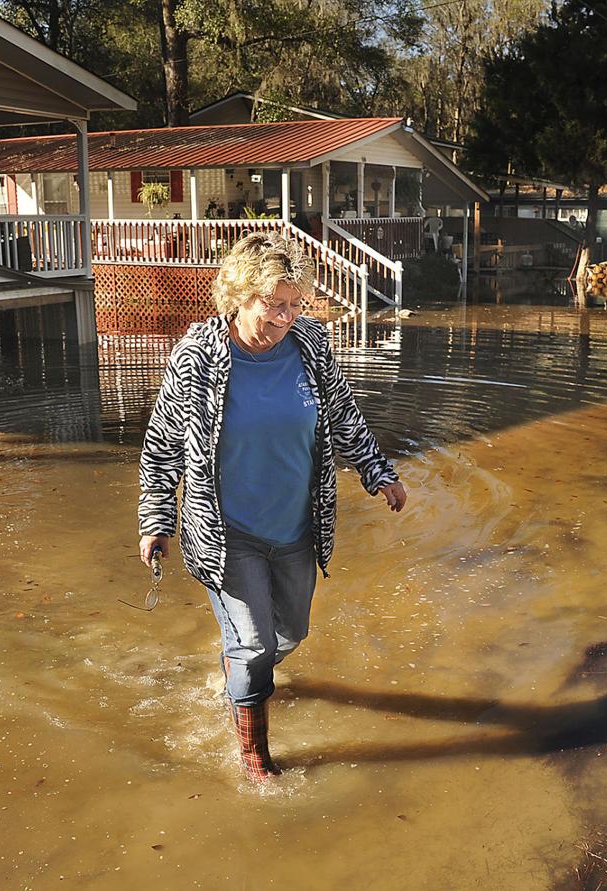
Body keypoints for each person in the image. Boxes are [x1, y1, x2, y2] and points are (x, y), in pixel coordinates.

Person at [137, 231, 407, 782]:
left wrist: (379, 473)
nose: (284, 317)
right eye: (272, 303)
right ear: (239, 294)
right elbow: (162, 444)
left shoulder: (310, 346)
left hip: (296, 527)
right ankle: (254, 753)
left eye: (294, 305)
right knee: (257, 644)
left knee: (293, 632)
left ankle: (237, 674)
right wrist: (156, 520)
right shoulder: (198, 359)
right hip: (225, 532)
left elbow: (344, 416)